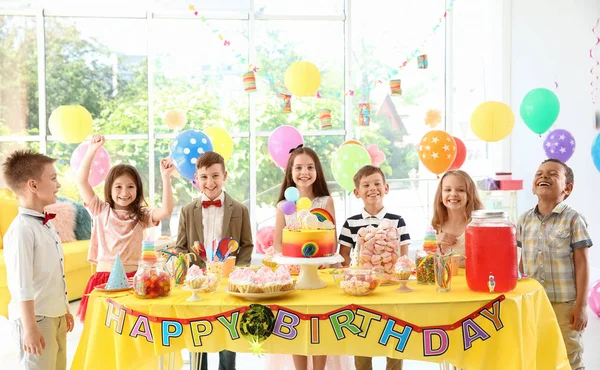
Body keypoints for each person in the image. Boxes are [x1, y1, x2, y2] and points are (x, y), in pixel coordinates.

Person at [76, 134, 175, 322]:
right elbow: (81, 180)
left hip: (135, 279)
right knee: (105, 328)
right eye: (118, 187)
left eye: (130, 187)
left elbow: (166, 209)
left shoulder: (141, 215)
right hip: (104, 278)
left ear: (137, 190)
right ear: (110, 189)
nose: (124, 192)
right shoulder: (100, 209)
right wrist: (92, 149)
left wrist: (166, 177)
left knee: (130, 326)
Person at [268, 146, 350, 370]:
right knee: (297, 325)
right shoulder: (284, 206)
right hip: (294, 276)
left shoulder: (325, 202)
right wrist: (293, 257)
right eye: (299, 167)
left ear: (317, 171)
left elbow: (330, 241)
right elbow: (278, 243)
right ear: (290, 172)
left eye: (310, 167)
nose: (304, 172)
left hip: (320, 275)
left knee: (319, 324)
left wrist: (322, 258)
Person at [175, 150, 253, 370]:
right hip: (197, 286)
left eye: (215, 176)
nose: (210, 182)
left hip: (228, 284)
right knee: (197, 333)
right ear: (196, 180)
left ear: (225, 176)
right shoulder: (187, 211)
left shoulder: (240, 209)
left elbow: (246, 245)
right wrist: (191, 273)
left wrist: (237, 271)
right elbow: (181, 246)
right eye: (204, 177)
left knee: (227, 333)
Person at [2, 150, 75, 369]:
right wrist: (30, 327)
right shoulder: (22, 231)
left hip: (54, 314)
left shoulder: (46, 223)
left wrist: (64, 310)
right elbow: (21, 284)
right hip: (36, 319)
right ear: (33, 185)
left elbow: (53, 274)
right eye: (53, 178)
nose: (58, 185)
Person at [517, 159, 592, 370]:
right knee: (538, 351)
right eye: (539, 173)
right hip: (533, 301)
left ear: (567, 188)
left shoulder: (573, 219)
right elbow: (523, 261)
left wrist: (581, 306)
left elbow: (583, 264)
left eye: (552, 174)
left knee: (569, 354)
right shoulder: (524, 220)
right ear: (533, 187)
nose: (543, 176)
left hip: (564, 303)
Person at [339, 165, 410, 370]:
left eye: (377, 183)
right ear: (356, 192)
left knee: (395, 334)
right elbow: (344, 258)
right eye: (366, 185)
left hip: (390, 289)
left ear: (386, 188)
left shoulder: (398, 221)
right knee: (362, 333)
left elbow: (403, 258)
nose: (372, 188)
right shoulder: (351, 223)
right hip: (363, 289)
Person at [431, 170, 484, 266]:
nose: (453, 194)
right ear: (440, 196)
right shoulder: (435, 226)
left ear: (469, 195)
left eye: (460, 190)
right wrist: (434, 241)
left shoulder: (479, 225)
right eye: (447, 190)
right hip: (444, 280)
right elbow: (425, 261)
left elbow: (485, 260)